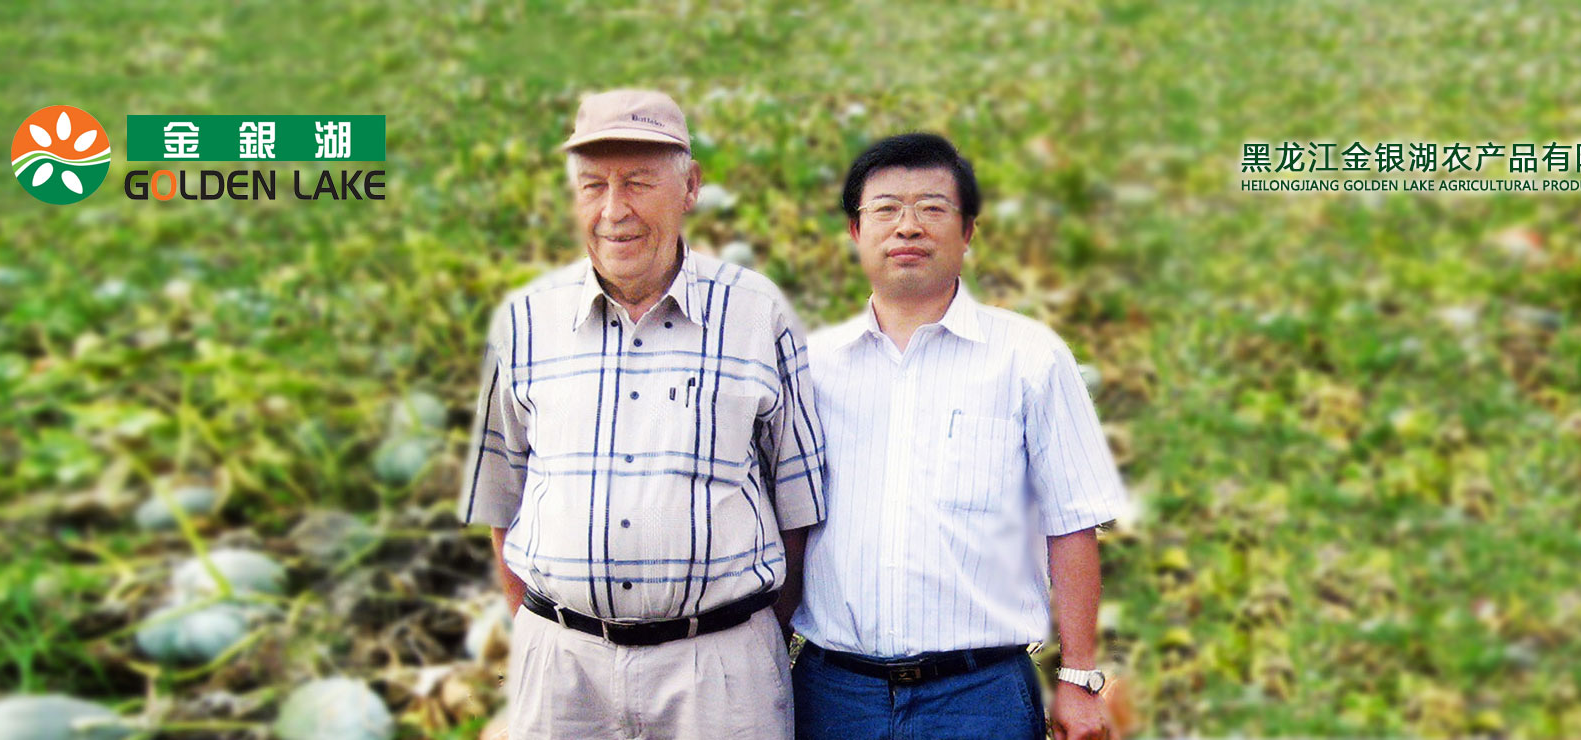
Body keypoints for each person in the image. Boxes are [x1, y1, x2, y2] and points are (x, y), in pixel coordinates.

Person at [460, 89, 828, 739]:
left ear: (691, 187)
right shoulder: (525, 320)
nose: (614, 211)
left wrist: (739, 636)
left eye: (637, 182)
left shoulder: (756, 312)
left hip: (718, 672)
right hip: (563, 671)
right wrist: (551, 631)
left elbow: (797, 506)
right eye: (593, 185)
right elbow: (502, 501)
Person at [790, 132, 1135, 740]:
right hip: (835, 693)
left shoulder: (1029, 357)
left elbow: (1073, 522)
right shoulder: (811, 367)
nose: (908, 227)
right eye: (886, 209)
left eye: (932, 208)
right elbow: (791, 523)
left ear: (968, 230)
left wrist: (1079, 678)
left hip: (980, 695)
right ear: (855, 231)